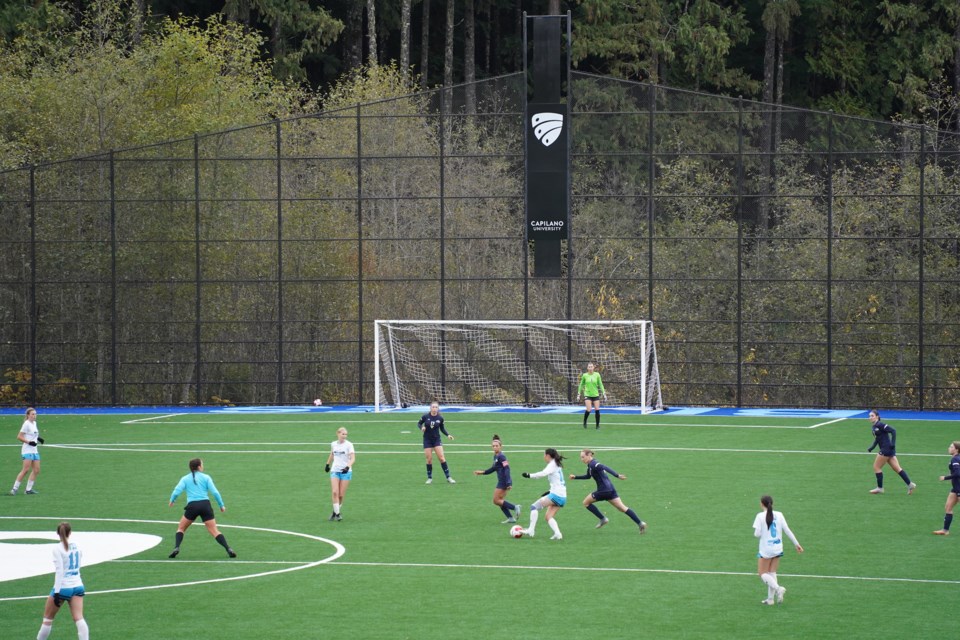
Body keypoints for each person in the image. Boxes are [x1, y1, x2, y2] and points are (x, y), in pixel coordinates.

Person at [168, 458, 236, 558]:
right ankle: (228, 548)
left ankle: (176, 547)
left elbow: (176, 491)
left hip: (192, 506)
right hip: (205, 505)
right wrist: (221, 505)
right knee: (214, 531)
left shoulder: (185, 478)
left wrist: (172, 500)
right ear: (199, 467)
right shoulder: (206, 477)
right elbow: (215, 492)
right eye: (202, 464)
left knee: (181, 528)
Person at [569, 449, 646, 533]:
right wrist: (575, 477)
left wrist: (617, 475)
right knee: (622, 508)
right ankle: (640, 523)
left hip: (603, 491)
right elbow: (588, 476)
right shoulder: (590, 465)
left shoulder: (594, 464)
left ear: (589, 455)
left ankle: (603, 519)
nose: (581, 459)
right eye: (581, 457)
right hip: (610, 490)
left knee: (586, 503)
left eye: (583, 457)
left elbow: (604, 467)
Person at [36, 521, 89, 640]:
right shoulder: (77, 545)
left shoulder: (57, 548)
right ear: (70, 533)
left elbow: (60, 571)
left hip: (64, 587)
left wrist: (57, 592)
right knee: (79, 618)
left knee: (47, 620)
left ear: (57, 533)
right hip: (78, 585)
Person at [753, 495, 803, 606]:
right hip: (777, 548)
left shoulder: (760, 516)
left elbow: (757, 534)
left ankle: (778, 588)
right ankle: (770, 599)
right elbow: (787, 530)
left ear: (762, 504)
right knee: (772, 572)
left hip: (766, 549)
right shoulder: (779, 515)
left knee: (762, 573)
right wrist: (797, 544)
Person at [519, 448, 567, 540]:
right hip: (562, 496)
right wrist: (549, 491)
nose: (543, 457)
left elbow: (543, 473)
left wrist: (529, 475)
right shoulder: (557, 464)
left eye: (544, 455)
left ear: (548, 456)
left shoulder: (552, 464)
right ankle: (558, 534)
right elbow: (557, 481)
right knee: (548, 517)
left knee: (534, 507)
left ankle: (531, 530)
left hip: (556, 495)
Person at [473, 434, 521, 523]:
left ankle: (515, 507)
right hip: (502, 480)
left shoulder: (501, 456)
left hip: (504, 481)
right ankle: (510, 518)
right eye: (493, 446)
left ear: (501, 446)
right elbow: (494, 468)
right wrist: (482, 472)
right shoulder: (496, 456)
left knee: (496, 500)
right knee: (500, 501)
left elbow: (507, 468)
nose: (494, 447)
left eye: (496, 446)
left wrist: (508, 482)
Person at [867, 409, 916, 495]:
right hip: (888, 449)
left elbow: (893, 431)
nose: (870, 417)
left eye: (872, 416)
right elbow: (877, 439)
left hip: (886, 449)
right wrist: (872, 447)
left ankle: (880, 488)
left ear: (877, 417)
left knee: (876, 467)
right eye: (869, 416)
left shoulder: (880, 424)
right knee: (897, 468)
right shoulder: (874, 427)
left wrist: (893, 443)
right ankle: (910, 484)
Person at [418, 401, 455, 484]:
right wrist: (422, 428)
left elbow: (442, 428)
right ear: (430, 408)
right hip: (427, 440)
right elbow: (419, 423)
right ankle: (429, 478)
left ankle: (448, 477)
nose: (434, 408)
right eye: (433, 407)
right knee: (429, 460)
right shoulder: (425, 416)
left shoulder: (440, 418)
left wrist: (448, 435)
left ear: (438, 409)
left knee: (442, 458)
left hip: (436, 440)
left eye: (436, 407)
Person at [10, 407, 43, 495]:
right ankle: (14, 489)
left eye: (35, 414)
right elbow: (19, 436)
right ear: (28, 415)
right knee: (26, 470)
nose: (34, 416)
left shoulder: (34, 423)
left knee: (36, 470)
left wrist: (38, 439)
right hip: (27, 450)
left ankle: (28, 490)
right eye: (32, 414)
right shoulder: (26, 424)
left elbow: (33, 434)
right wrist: (29, 442)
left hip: (34, 450)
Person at [325, 426, 355, 521]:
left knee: (341, 495)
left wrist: (347, 467)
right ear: (338, 434)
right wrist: (327, 464)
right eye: (343, 434)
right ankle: (338, 514)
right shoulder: (333, 444)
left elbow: (353, 458)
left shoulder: (349, 445)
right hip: (335, 470)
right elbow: (332, 454)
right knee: (335, 492)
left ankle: (335, 511)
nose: (344, 436)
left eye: (346, 434)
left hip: (345, 472)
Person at [933, 440, 960, 535]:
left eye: (951, 447)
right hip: (955, 488)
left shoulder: (955, 459)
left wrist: (945, 477)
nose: (949, 448)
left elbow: (957, 473)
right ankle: (945, 530)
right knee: (948, 507)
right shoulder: (956, 458)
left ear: (956, 450)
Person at [576, 363, 606, 429]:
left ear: (593, 368)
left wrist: (604, 392)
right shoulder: (585, 375)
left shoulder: (597, 375)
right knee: (589, 409)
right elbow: (581, 385)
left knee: (597, 410)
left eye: (591, 367)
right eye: (589, 367)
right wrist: (579, 394)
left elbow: (600, 384)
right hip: (587, 394)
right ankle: (584, 421)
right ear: (587, 368)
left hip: (595, 394)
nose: (590, 368)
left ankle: (597, 426)